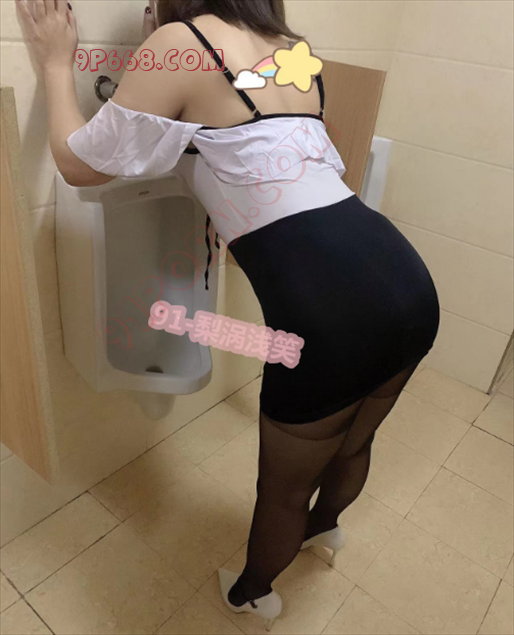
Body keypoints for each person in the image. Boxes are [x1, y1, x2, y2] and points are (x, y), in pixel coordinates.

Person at [16, 0, 440, 629]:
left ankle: (252, 594)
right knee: (355, 443)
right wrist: (161, 46)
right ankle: (325, 529)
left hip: (335, 318)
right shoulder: (289, 50)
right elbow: (233, 145)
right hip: (407, 281)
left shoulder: (182, 43)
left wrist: (57, 64)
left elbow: (78, 166)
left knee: (283, 489)